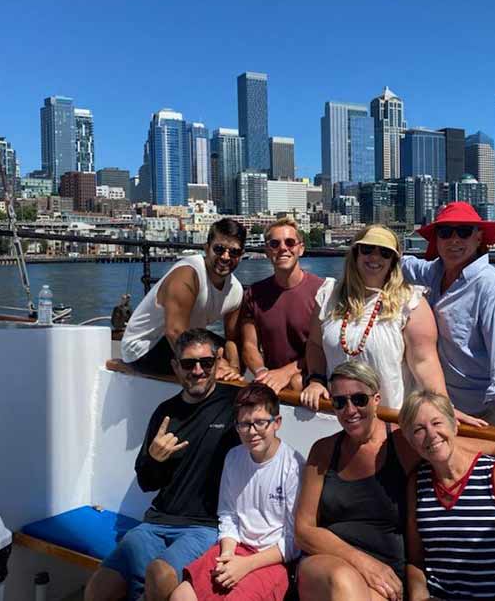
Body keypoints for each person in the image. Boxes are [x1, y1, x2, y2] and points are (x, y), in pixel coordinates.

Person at [295, 361, 495, 601]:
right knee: (343, 579)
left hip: (386, 577)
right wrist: (362, 562)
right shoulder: (324, 451)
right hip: (332, 563)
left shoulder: (405, 442)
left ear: (376, 400)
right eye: (339, 402)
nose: (350, 410)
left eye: (359, 399)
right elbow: (303, 529)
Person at [85, 329, 241, 601]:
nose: (198, 371)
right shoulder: (165, 412)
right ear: (175, 367)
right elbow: (147, 482)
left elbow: (267, 414)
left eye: (206, 362)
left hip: (205, 526)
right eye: (188, 364)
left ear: (217, 362)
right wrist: (154, 459)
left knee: (159, 574)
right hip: (156, 521)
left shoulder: (235, 404)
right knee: (98, 587)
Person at [300, 225, 479, 423]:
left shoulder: (410, 303)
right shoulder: (328, 296)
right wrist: (316, 381)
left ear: (393, 261)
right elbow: (315, 344)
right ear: (355, 253)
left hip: (389, 419)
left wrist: (444, 407)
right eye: (367, 249)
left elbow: (425, 362)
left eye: (385, 253)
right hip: (339, 415)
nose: (375, 257)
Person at [401, 202, 495, 435]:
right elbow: (402, 264)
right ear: (436, 240)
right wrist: (375, 251)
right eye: (446, 232)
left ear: (478, 238)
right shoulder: (435, 272)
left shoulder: (493, 289)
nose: (454, 240)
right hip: (457, 405)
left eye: (464, 232)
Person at [401, 390, 495, 600]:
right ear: (410, 440)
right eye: (419, 429)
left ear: (454, 425)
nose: (431, 434)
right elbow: (417, 561)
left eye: (437, 423)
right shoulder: (417, 483)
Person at [171, 383, 304, 601]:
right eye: (244, 424)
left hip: (273, 560)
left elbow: (293, 541)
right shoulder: (234, 457)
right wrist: (227, 555)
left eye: (260, 423)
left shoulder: (294, 466)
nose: (252, 432)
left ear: (276, 423)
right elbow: (228, 514)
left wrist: (245, 565)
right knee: (181, 596)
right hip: (236, 548)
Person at [120, 218, 246, 378]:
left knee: (240, 354)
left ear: (241, 255)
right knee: (208, 363)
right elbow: (174, 332)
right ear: (207, 249)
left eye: (234, 252)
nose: (226, 257)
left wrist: (233, 367)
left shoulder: (236, 290)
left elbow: (232, 339)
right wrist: (216, 364)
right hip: (146, 347)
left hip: (187, 338)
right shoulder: (188, 274)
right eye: (219, 249)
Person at [239, 217, 326, 393]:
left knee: (296, 382)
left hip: (313, 381)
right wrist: (262, 372)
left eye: (290, 242)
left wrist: (286, 372)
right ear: (267, 250)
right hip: (272, 383)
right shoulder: (254, 294)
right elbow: (249, 345)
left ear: (301, 249)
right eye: (274, 244)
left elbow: (325, 347)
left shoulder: (322, 291)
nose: (283, 248)